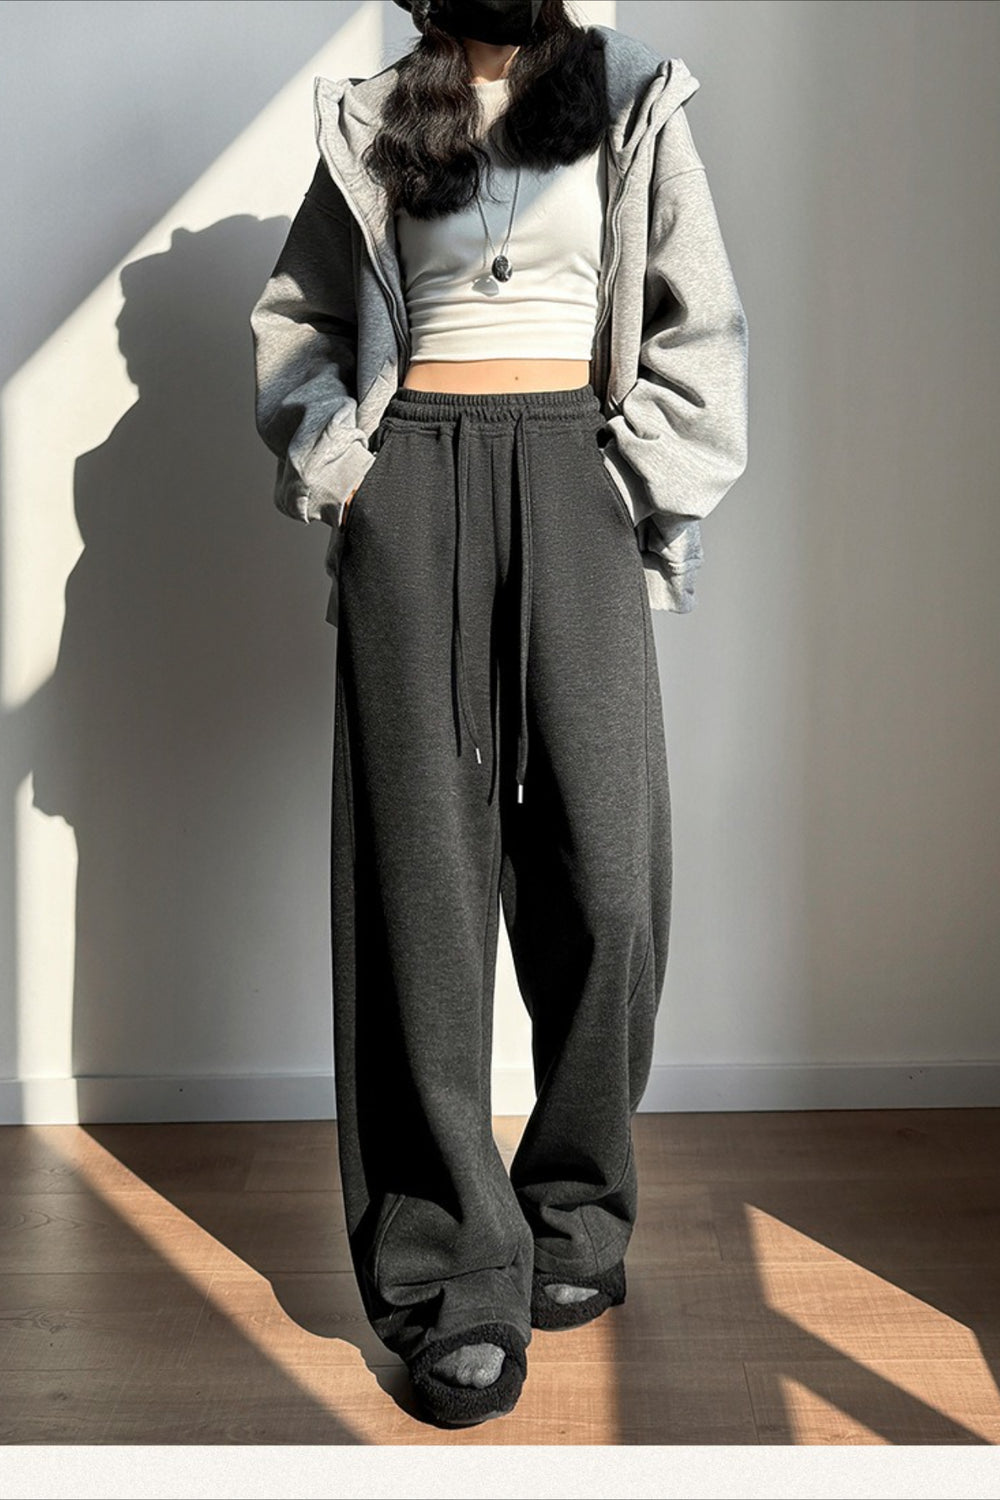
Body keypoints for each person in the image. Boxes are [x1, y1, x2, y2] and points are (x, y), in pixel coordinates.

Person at [249, 0, 748, 1428]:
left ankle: (575, 1205)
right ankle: (449, 1269)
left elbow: (702, 322)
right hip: (413, 480)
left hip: (576, 475)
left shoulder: (636, 98)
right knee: (421, 886)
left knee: (609, 882)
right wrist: (351, 471)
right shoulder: (373, 118)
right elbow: (298, 323)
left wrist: (629, 479)